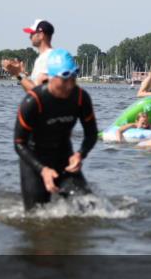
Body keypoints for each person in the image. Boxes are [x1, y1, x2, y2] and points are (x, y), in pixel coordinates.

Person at [13, 49, 97, 210]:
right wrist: (42, 170)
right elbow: (19, 143)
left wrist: (80, 154)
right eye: (64, 79)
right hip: (34, 160)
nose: (69, 85)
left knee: (89, 207)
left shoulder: (80, 97)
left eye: (73, 78)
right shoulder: (33, 101)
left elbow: (91, 134)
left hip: (64, 158)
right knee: (36, 217)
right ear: (51, 77)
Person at [2, 19, 54, 91]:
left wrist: (18, 73)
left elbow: (37, 92)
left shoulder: (51, 58)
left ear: (41, 35)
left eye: (32, 33)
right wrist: (21, 73)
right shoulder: (41, 59)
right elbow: (33, 90)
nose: (30, 37)